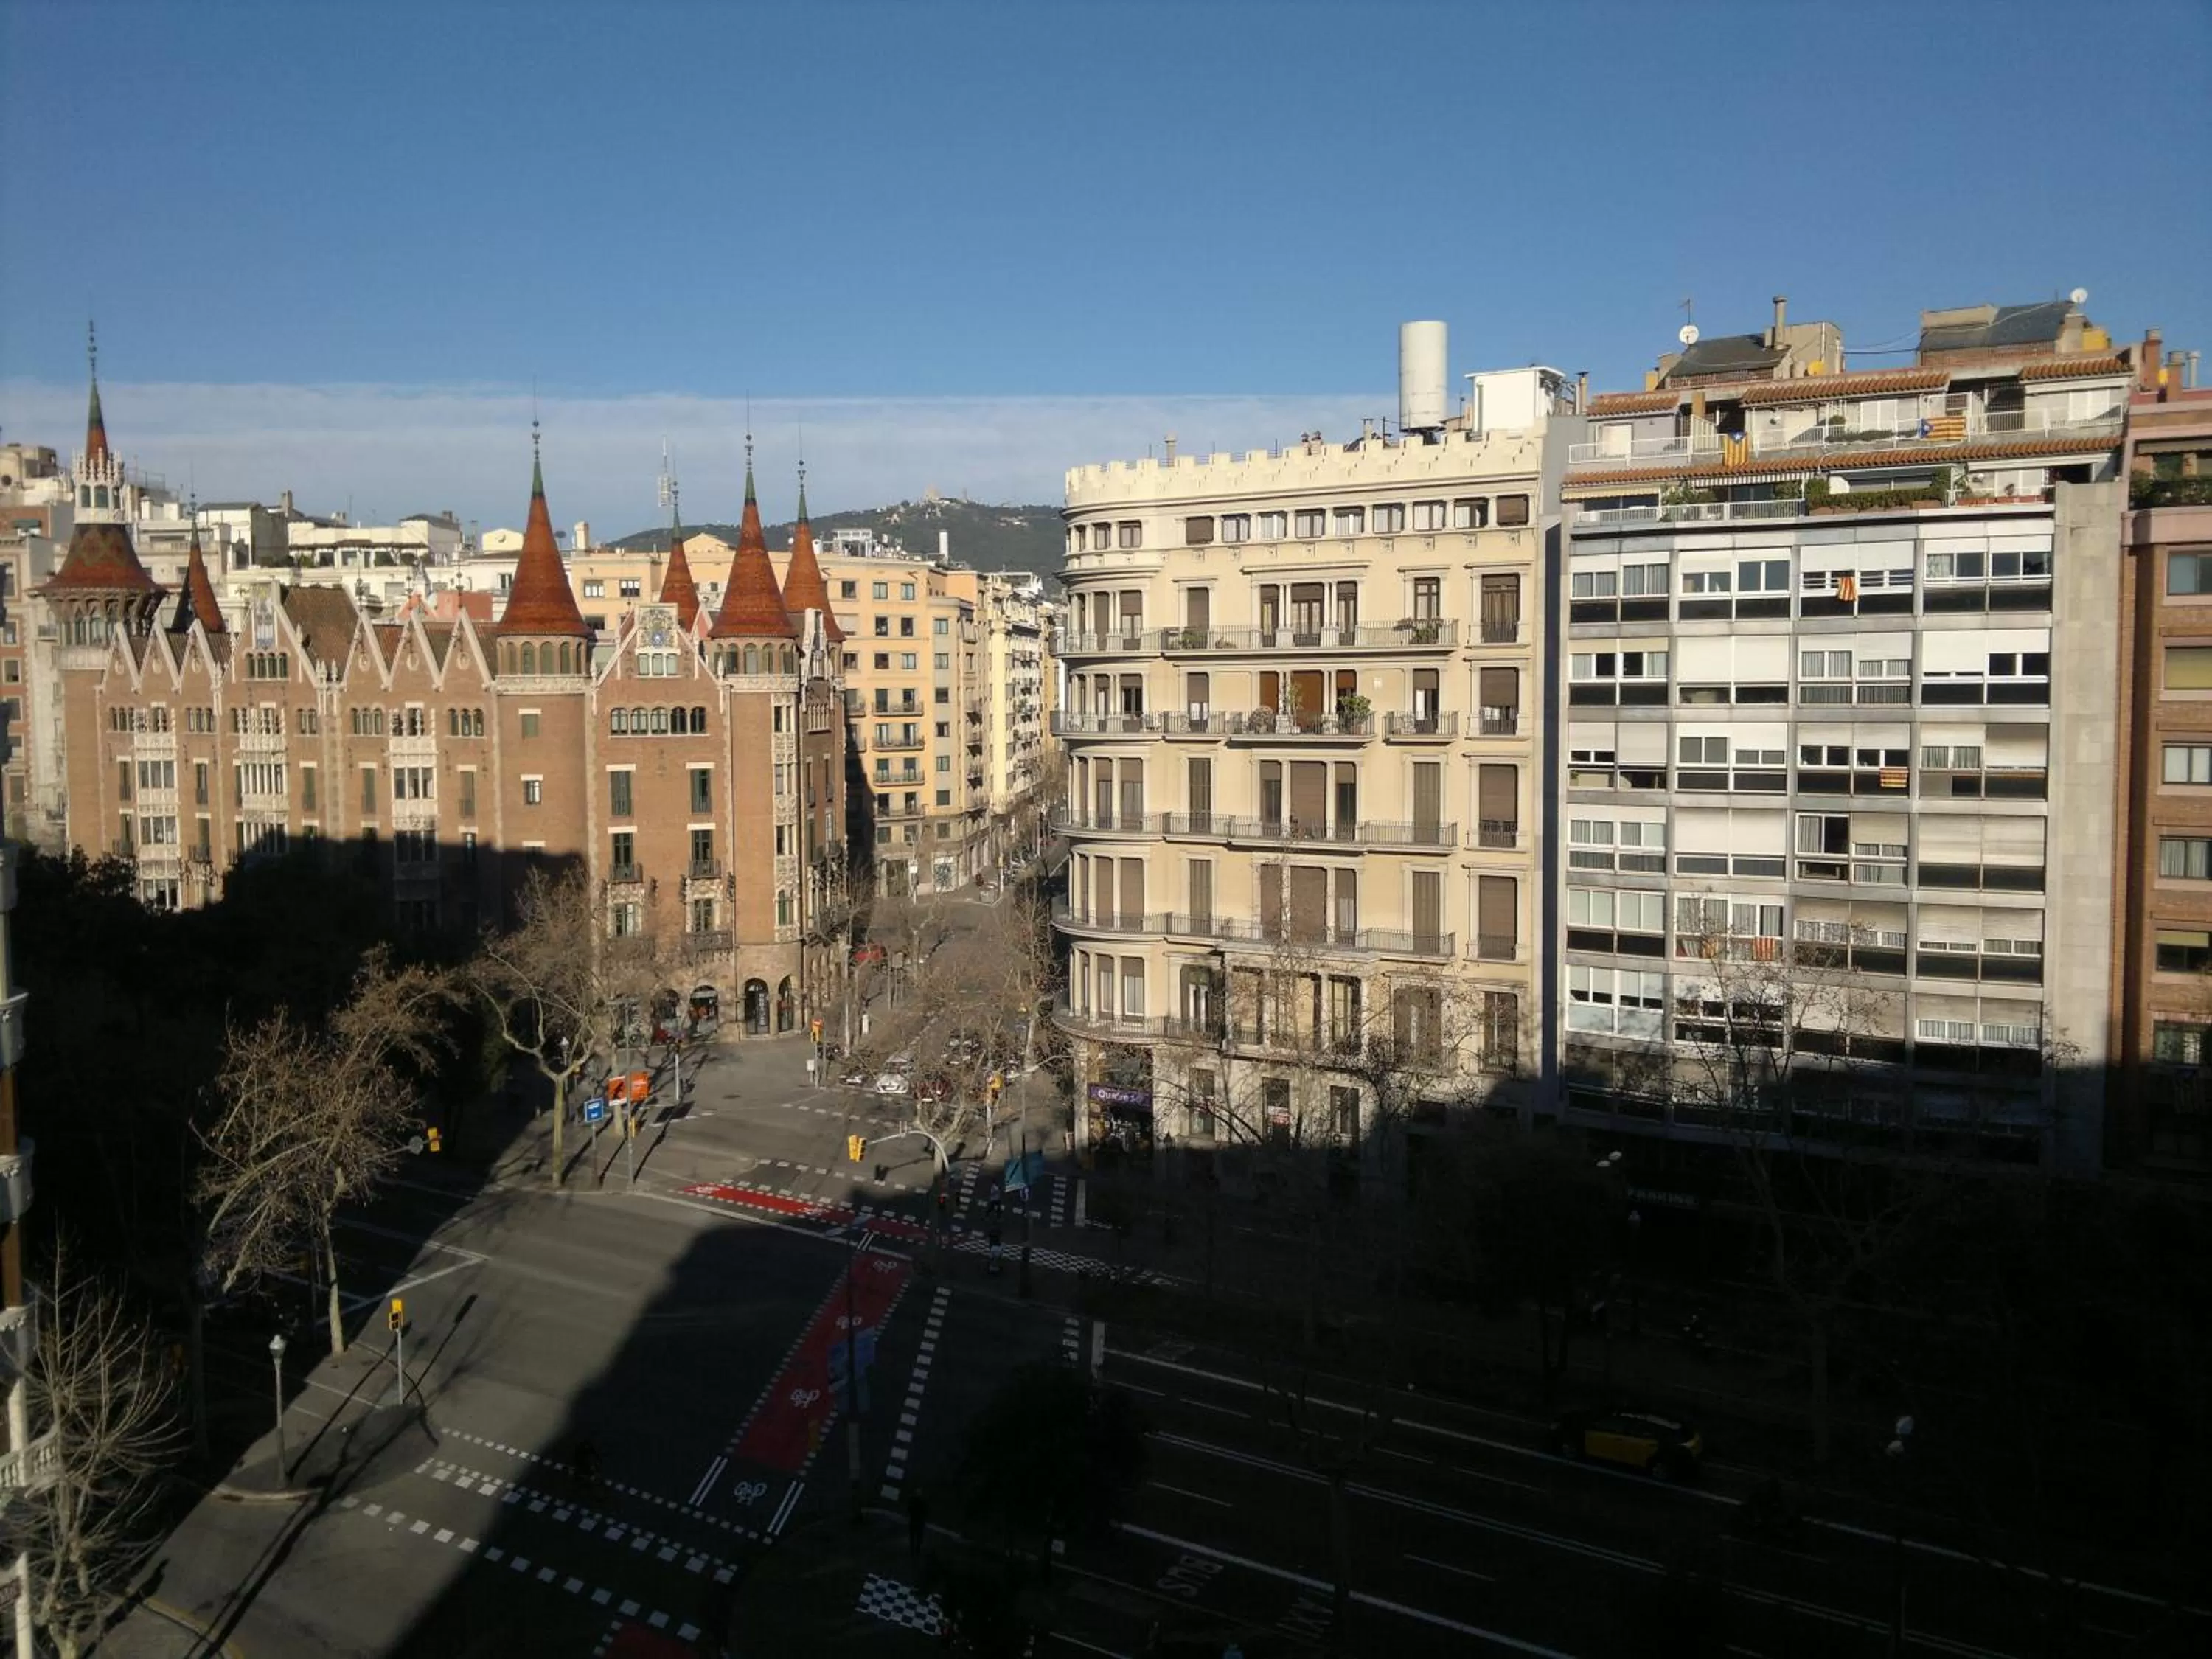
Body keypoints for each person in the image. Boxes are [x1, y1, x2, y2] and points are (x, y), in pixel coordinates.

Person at [905, 1484, 929, 1561]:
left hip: (917, 1522)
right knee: (915, 1537)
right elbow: (925, 1511)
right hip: (917, 1522)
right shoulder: (919, 1501)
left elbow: (910, 1509)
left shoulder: (916, 1501)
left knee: (916, 1537)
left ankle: (915, 1551)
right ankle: (915, 1551)